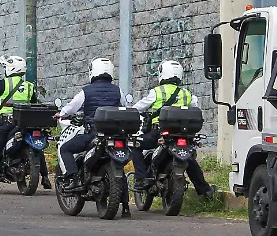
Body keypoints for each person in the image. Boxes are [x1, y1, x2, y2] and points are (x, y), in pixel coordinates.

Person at [131, 60, 216, 198]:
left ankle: (141, 179)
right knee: (189, 159)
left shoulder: (157, 92)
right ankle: (205, 189)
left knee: (135, 145)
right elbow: (196, 109)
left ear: (162, 74)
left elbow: (138, 107)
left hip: (158, 133)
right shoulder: (187, 94)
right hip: (183, 133)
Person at [0, 55, 48, 194]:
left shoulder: (4, 83)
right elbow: (34, 103)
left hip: (7, 123)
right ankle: (45, 177)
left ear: (10, 69)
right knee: (38, 149)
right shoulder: (29, 86)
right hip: (26, 123)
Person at [55, 58, 127, 190]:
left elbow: (72, 107)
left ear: (92, 71)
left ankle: (73, 178)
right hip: (115, 134)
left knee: (65, 148)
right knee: (120, 167)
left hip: (94, 134)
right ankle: (126, 207)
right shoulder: (118, 90)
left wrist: (61, 113)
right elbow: (125, 107)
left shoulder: (86, 91)